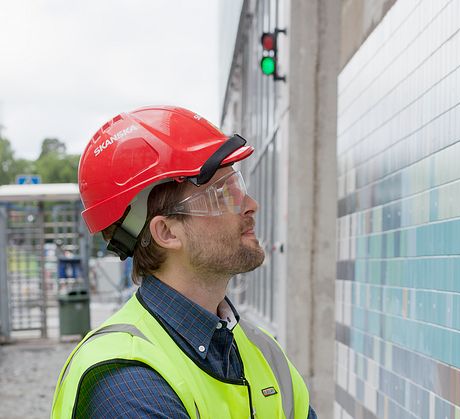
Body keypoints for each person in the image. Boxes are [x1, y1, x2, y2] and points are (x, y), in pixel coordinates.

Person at [51, 106, 316, 418]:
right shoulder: (128, 382)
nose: (250, 206)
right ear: (166, 231)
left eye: (237, 185)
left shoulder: (263, 352)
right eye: (222, 195)